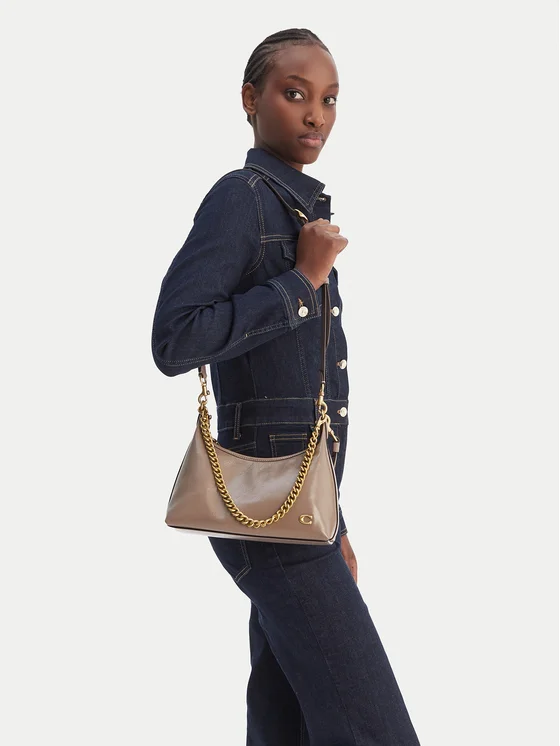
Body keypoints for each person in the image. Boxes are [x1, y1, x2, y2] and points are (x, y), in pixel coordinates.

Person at [151, 27, 421, 746]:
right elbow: (175, 339)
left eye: (329, 100)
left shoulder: (301, 211)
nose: (315, 115)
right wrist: (301, 282)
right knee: (373, 728)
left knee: (286, 723)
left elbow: (306, 400)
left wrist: (337, 527)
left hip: (299, 514)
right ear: (250, 98)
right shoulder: (240, 199)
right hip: (265, 517)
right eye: (295, 93)